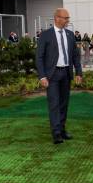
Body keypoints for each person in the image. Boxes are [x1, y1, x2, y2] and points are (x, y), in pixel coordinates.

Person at [36, 8, 83, 144]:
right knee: (54, 104)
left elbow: (75, 55)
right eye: (65, 18)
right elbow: (39, 57)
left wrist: (78, 72)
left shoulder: (69, 34)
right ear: (57, 18)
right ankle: (56, 133)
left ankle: (62, 129)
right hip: (52, 75)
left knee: (64, 103)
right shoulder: (46, 35)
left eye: (68, 18)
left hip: (66, 74)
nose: (68, 20)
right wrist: (42, 76)